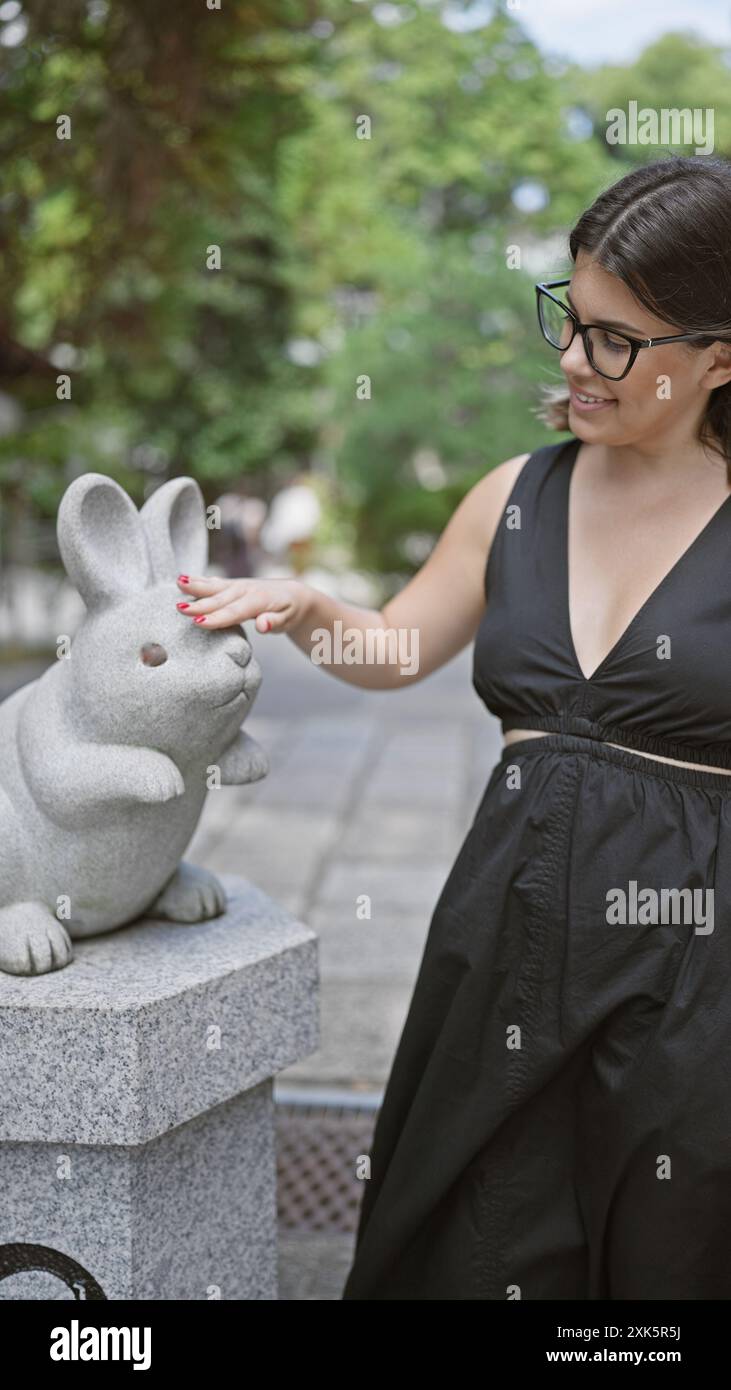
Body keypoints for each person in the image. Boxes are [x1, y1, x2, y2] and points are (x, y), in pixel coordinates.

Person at [173, 154, 731, 1299]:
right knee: (471, 1250)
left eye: (615, 341)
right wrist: (316, 611)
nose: (574, 360)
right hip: (503, 955)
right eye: (568, 321)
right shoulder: (513, 494)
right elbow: (395, 651)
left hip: (693, 979)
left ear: (717, 358)